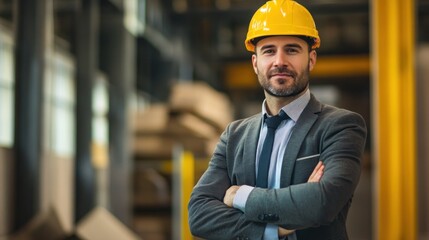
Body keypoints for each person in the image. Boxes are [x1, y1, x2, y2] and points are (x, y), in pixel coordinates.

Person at [188, 0, 367, 239]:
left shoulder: (341, 126)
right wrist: (275, 229)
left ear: (311, 59)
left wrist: (240, 195)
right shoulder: (234, 136)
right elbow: (199, 214)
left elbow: (323, 202)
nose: (279, 61)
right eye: (269, 50)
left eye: (292, 49)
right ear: (255, 63)